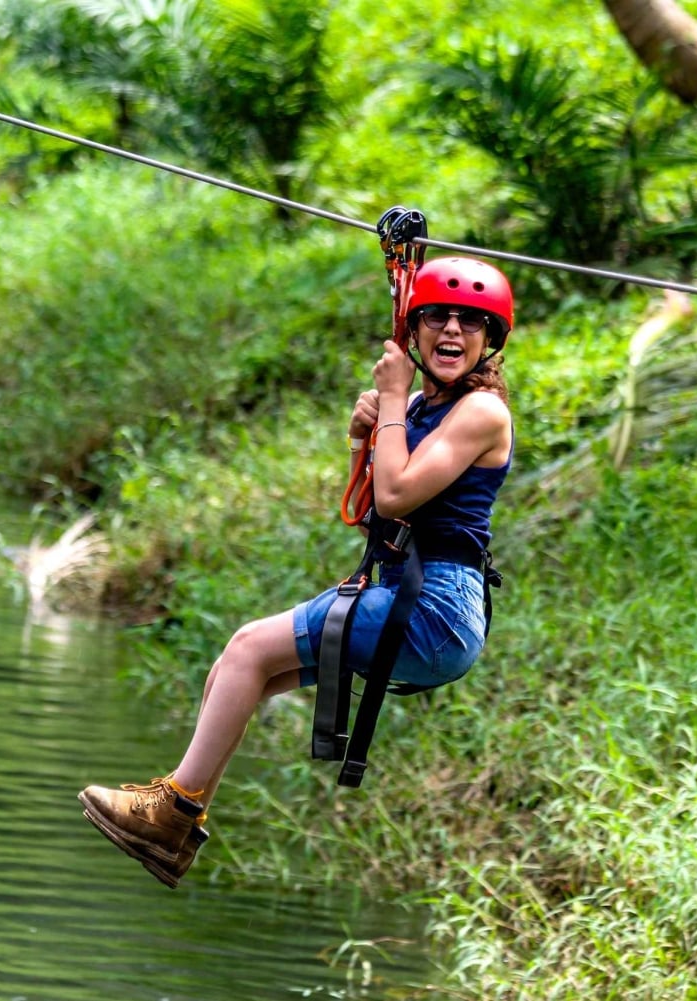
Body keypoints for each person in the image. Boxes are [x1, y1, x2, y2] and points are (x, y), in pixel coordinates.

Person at [77, 257, 515, 888]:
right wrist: (365, 434)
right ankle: (177, 823)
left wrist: (391, 400)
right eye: (438, 317)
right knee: (245, 671)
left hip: (435, 610)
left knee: (248, 647)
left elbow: (396, 498)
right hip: (402, 592)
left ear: (490, 340)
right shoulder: (419, 405)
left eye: (470, 322)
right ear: (414, 330)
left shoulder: (481, 412)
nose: (453, 330)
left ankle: (173, 809)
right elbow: (368, 507)